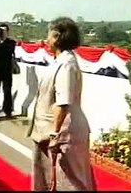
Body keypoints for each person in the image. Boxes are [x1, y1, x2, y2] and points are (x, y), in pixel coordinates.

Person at [27, 17, 96, 191]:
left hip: (62, 134)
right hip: (48, 131)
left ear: (57, 36)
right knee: (48, 179)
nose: (46, 40)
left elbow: (63, 103)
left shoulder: (67, 64)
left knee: (69, 183)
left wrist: (54, 134)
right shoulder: (60, 61)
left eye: (49, 35)